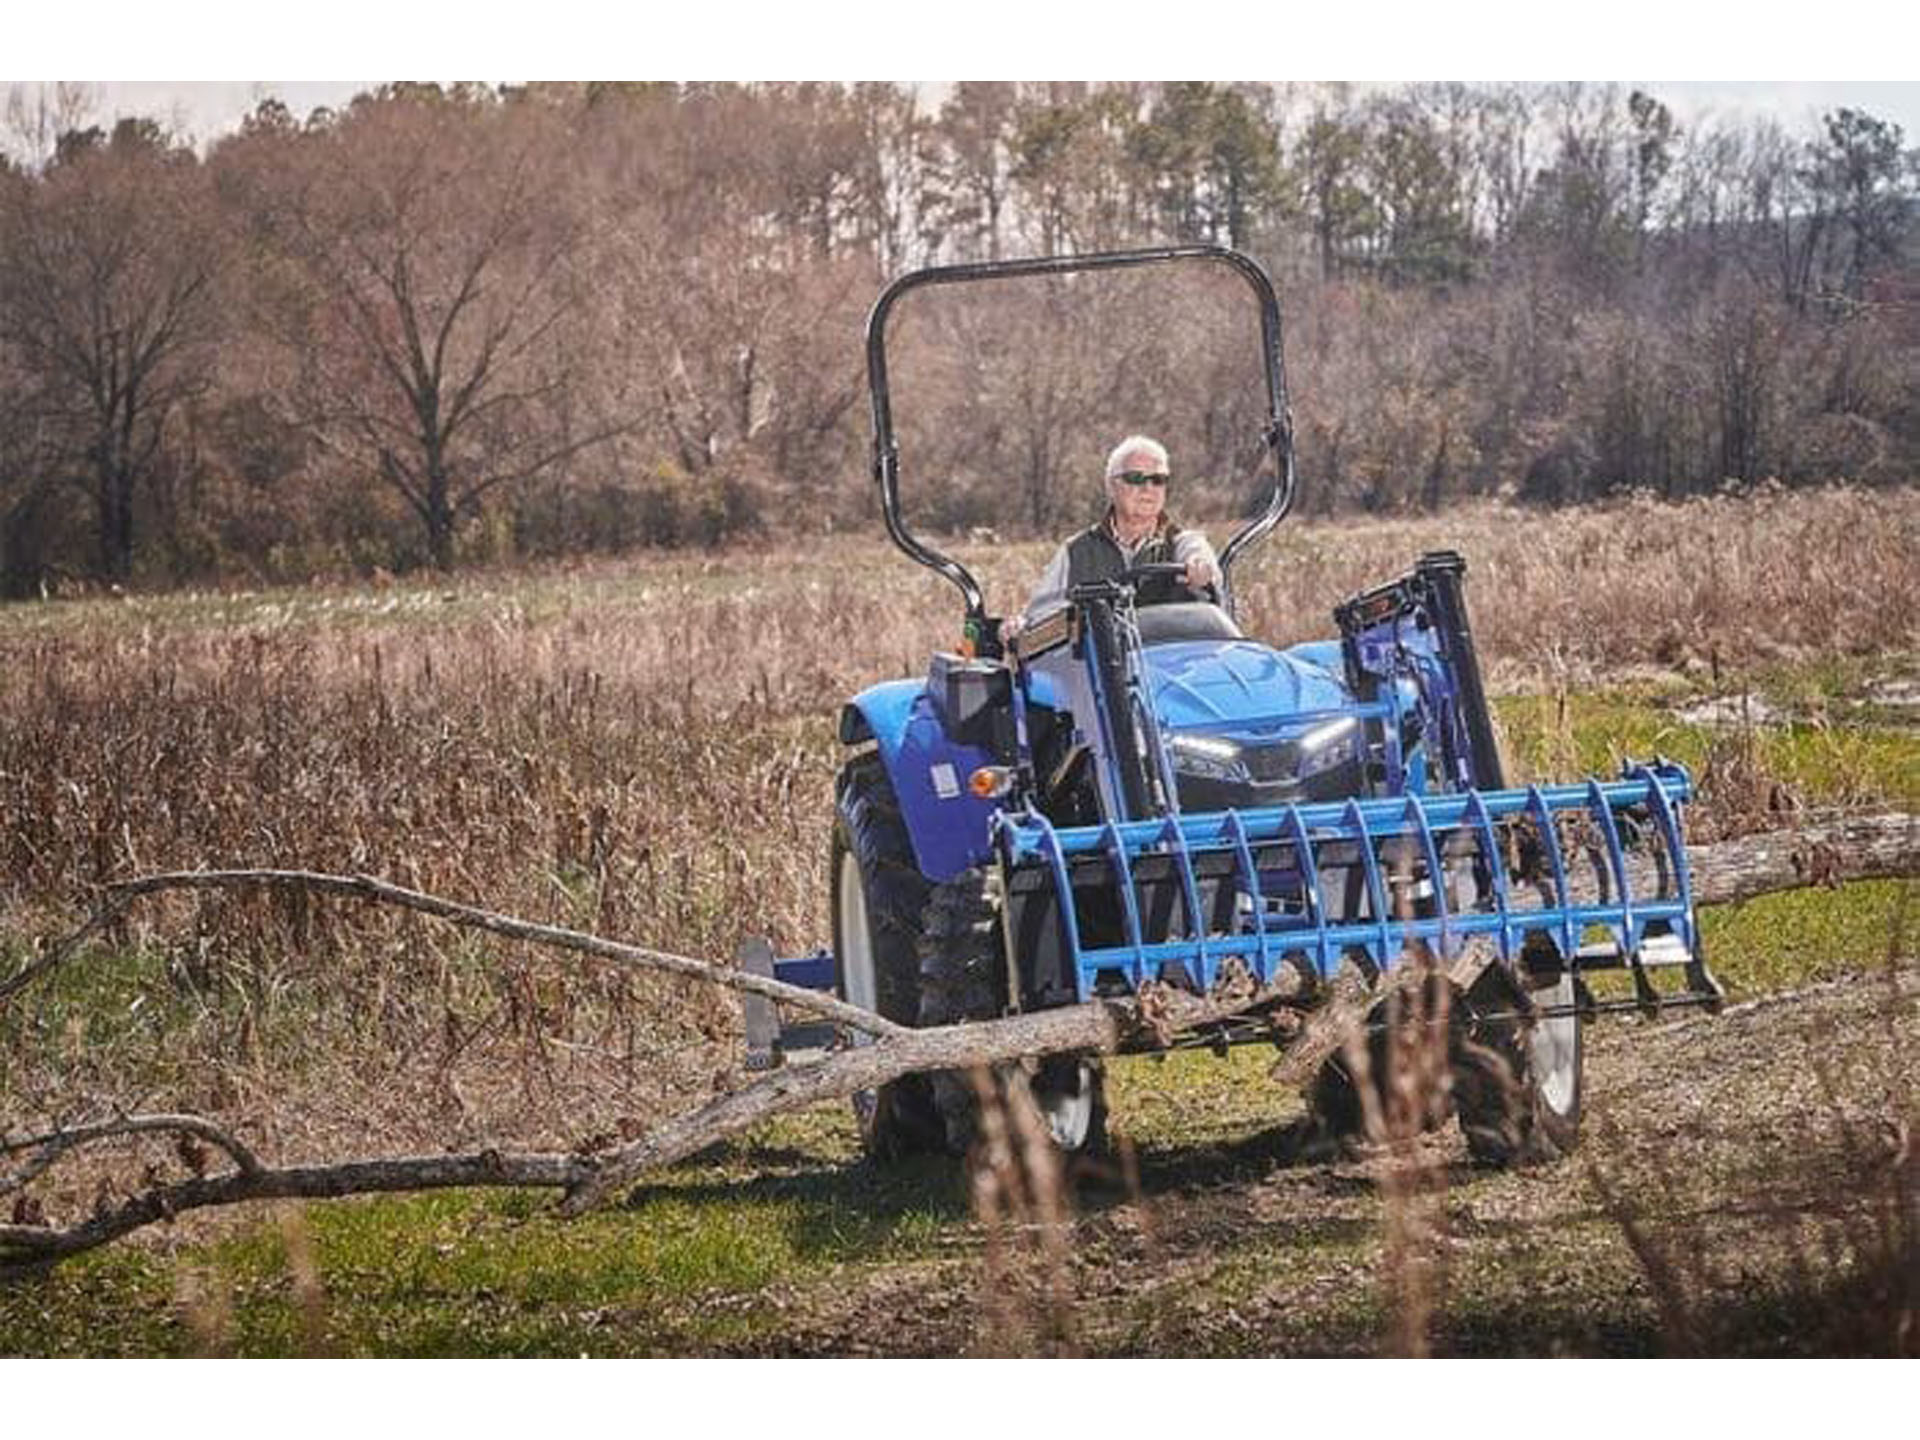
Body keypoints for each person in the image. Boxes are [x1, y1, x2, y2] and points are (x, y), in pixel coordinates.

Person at [1003, 435, 1219, 642]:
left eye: (1158, 480)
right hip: (1100, 674)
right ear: (1111, 486)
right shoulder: (1076, 551)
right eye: (1135, 478)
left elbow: (1200, 559)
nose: (1148, 489)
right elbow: (1039, 617)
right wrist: (1020, 626)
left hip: (1170, 668)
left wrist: (1200, 567)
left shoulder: (1183, 542)